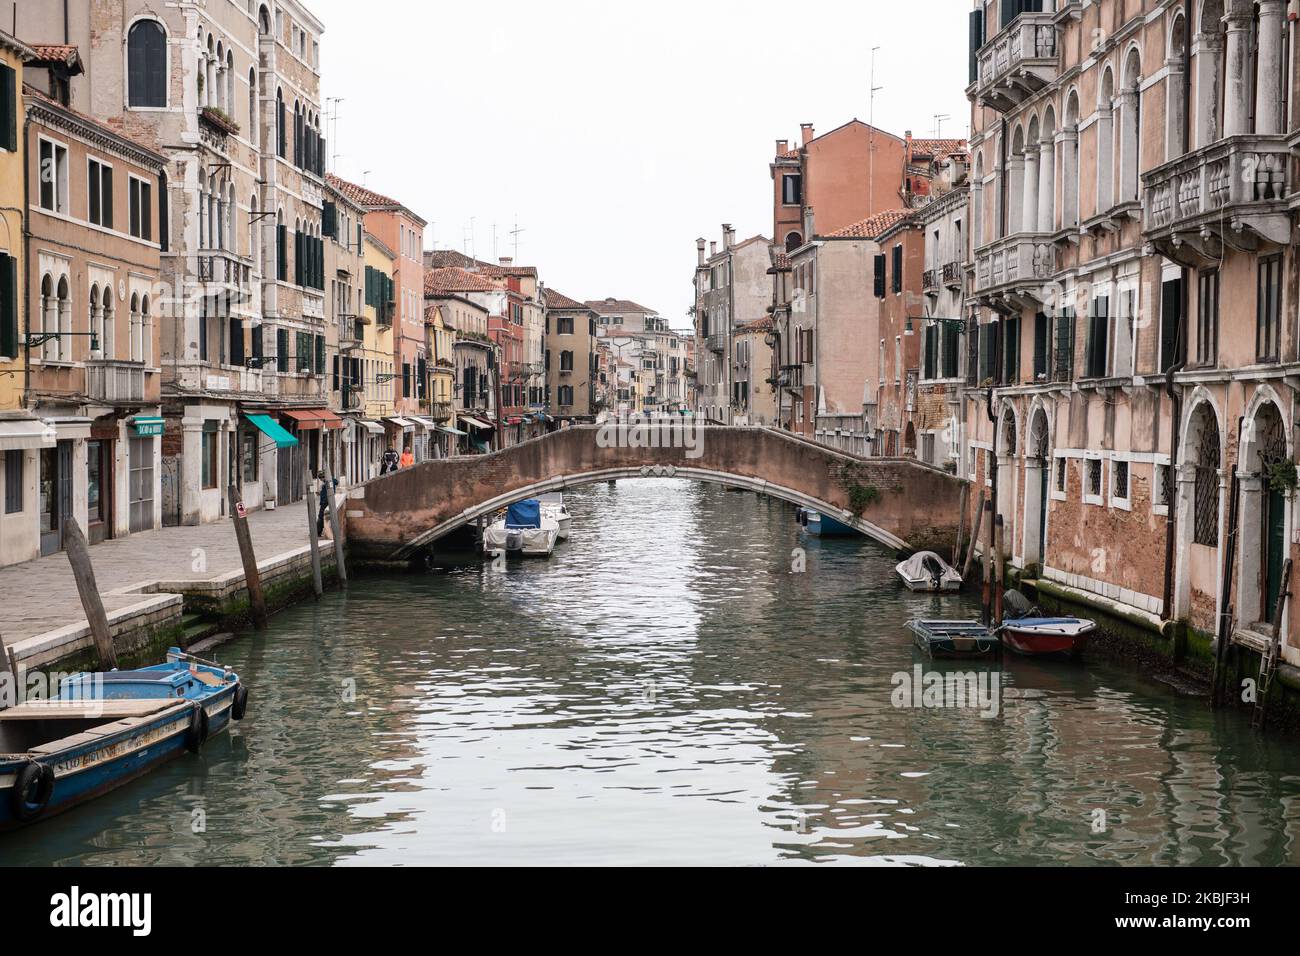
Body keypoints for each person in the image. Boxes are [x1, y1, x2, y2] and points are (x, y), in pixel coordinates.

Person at [316, 470, 337, 537]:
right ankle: (318, 531)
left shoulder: (327, 482)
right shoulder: (330, 481)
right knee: (322, 516)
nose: (321, 480)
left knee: (321, 516)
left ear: (324, 477)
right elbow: (336, 482)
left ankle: (317, 532)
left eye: (321, 478)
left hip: (325, 502)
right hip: (327, 501)